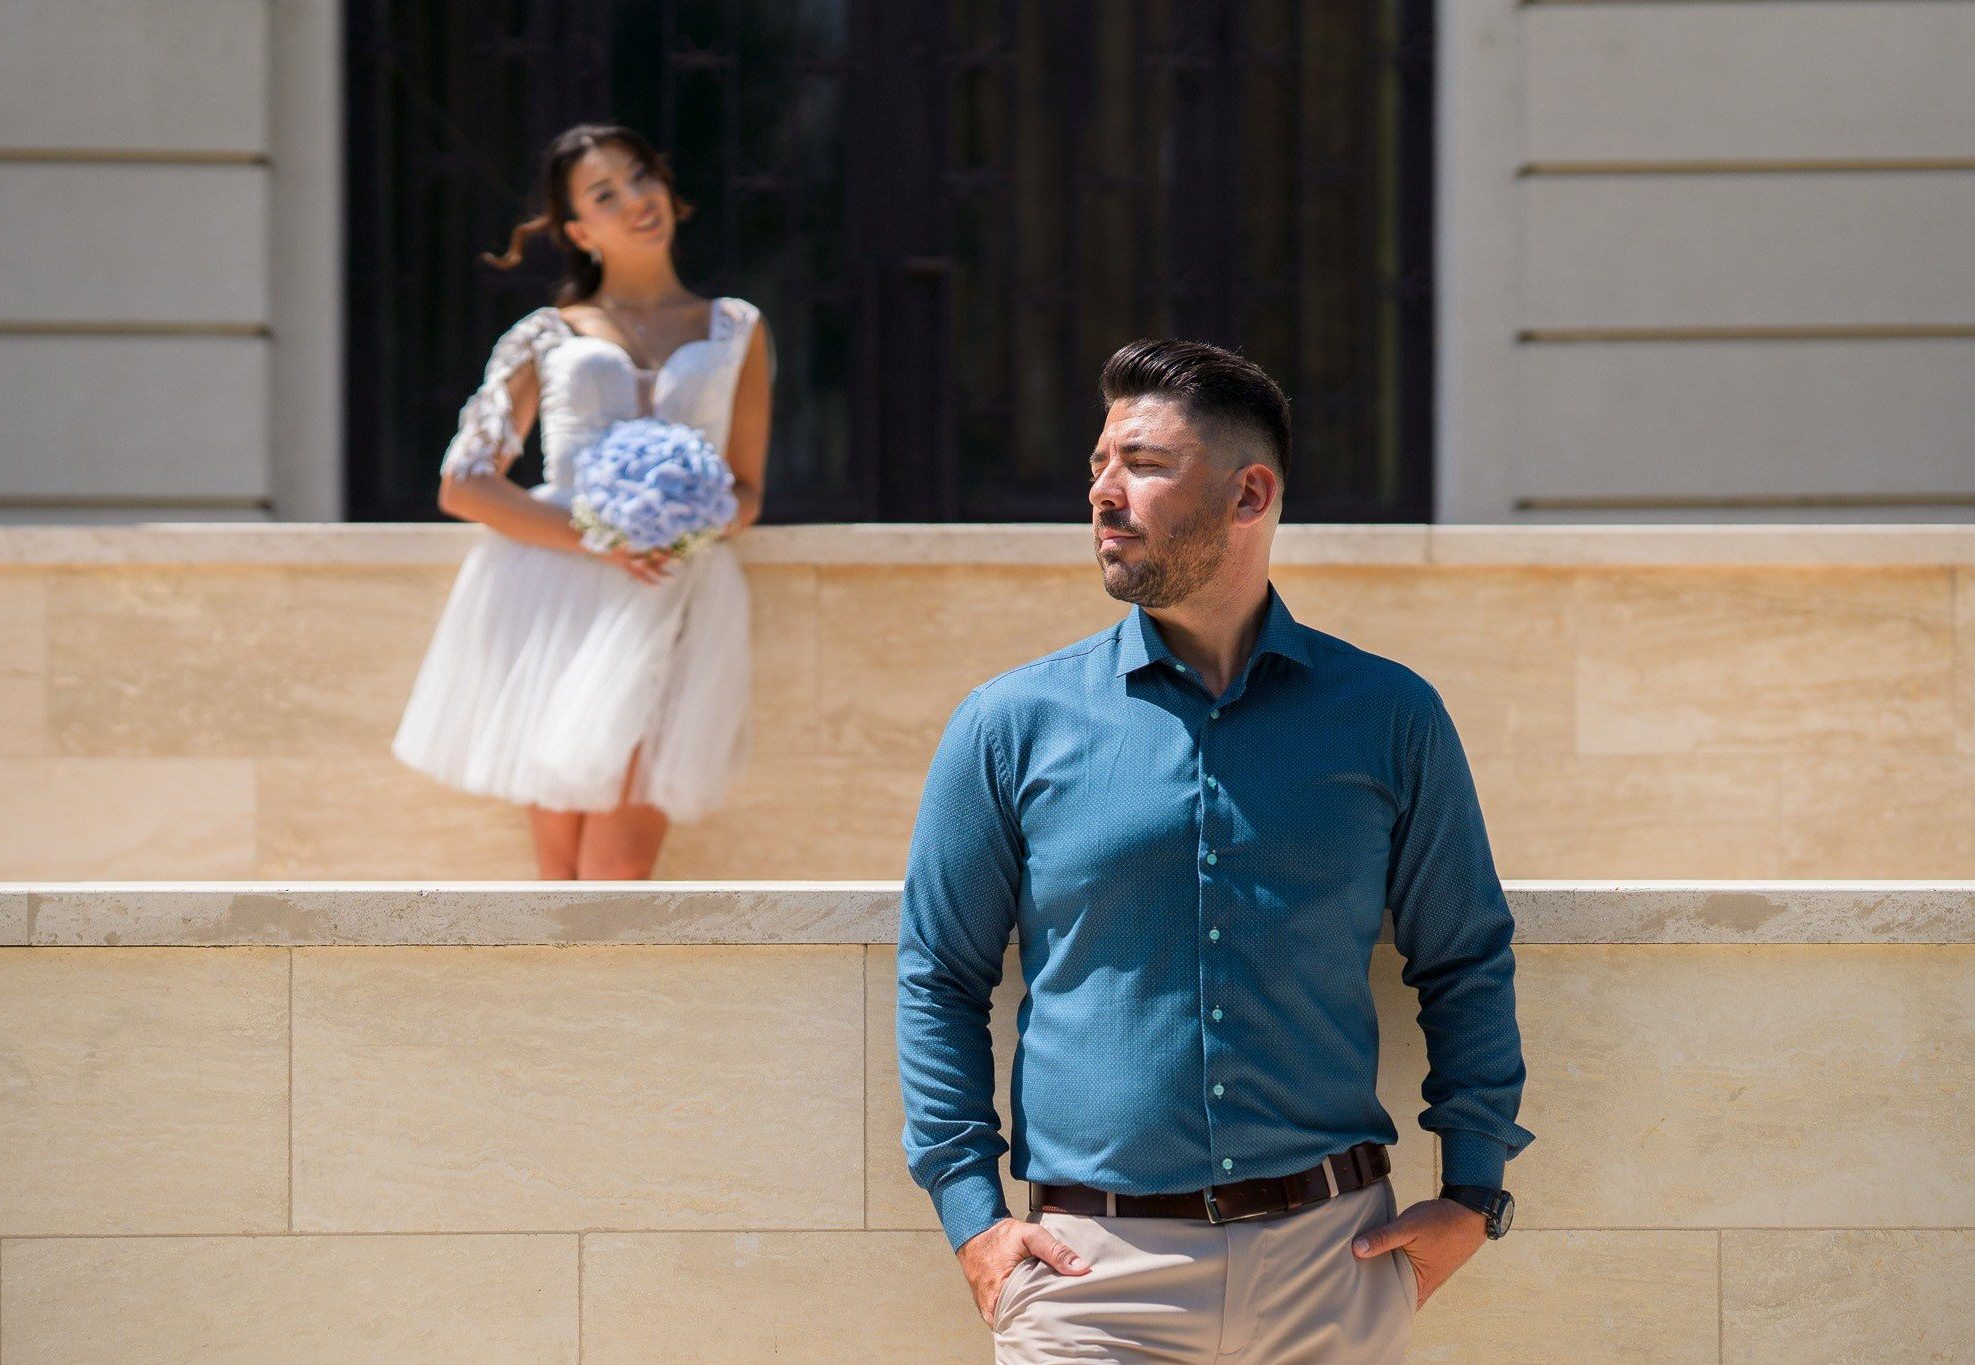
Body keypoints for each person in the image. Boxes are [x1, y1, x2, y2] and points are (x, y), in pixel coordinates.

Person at [897, 340, 1532, 1362]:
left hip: (1337, 1265)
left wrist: (1471, 1191)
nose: (1103, 493)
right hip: (1090, 1280)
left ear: (1249, 494)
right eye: (1098, 465)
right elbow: (937, 975)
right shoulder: (1011, 723)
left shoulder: (1387, 716)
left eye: (1142, 465)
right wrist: (974, 1219)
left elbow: (1462, 956)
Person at [392, 123, 771, 879]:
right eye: (607, 192)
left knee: (619, 868)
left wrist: (690, 526)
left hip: (675, 596)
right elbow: (463, 482)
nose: (637, 197)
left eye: (643, 176)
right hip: (556, 601)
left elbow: (747, 489)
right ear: (577, 229)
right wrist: (602, 538)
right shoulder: (545, 335)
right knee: (559, 878)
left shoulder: (737, 327)